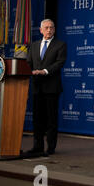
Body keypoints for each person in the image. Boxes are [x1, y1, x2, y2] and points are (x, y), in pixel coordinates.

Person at [26, 19, 67, 156]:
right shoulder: (34, 45)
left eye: (51, 27)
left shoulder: (60, 45)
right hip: (37, 87)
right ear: (41, 30)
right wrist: (29, 71)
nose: (49, 30)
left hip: (51, 87)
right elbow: (28, 63)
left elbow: (59, 63)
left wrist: (45, 71)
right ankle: (37, 146)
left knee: (51, 119)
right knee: (37, 119)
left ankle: (50, 147)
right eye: (46, 27)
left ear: (54, 30)